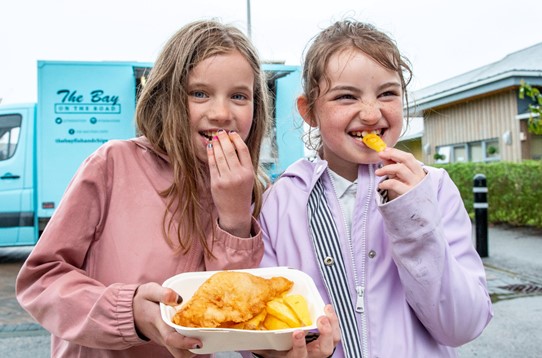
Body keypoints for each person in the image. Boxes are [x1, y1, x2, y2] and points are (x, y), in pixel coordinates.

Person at [16, 20, 336, 358]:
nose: (221, 113)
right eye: (199, 93)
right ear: (167, 96)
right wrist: (131, 313)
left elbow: (232, 313)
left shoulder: (251, 189)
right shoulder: (112, 164)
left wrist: (233, 215)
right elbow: (41, 280)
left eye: (239, 96)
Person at [258, 19, 494, 357]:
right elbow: (263, 329)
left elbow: (463, 326)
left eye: (387, 93)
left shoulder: (435, 189)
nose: (371, 114)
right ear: (309, 111)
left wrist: (416, 217)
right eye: (345, 96)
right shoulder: (281, 200)